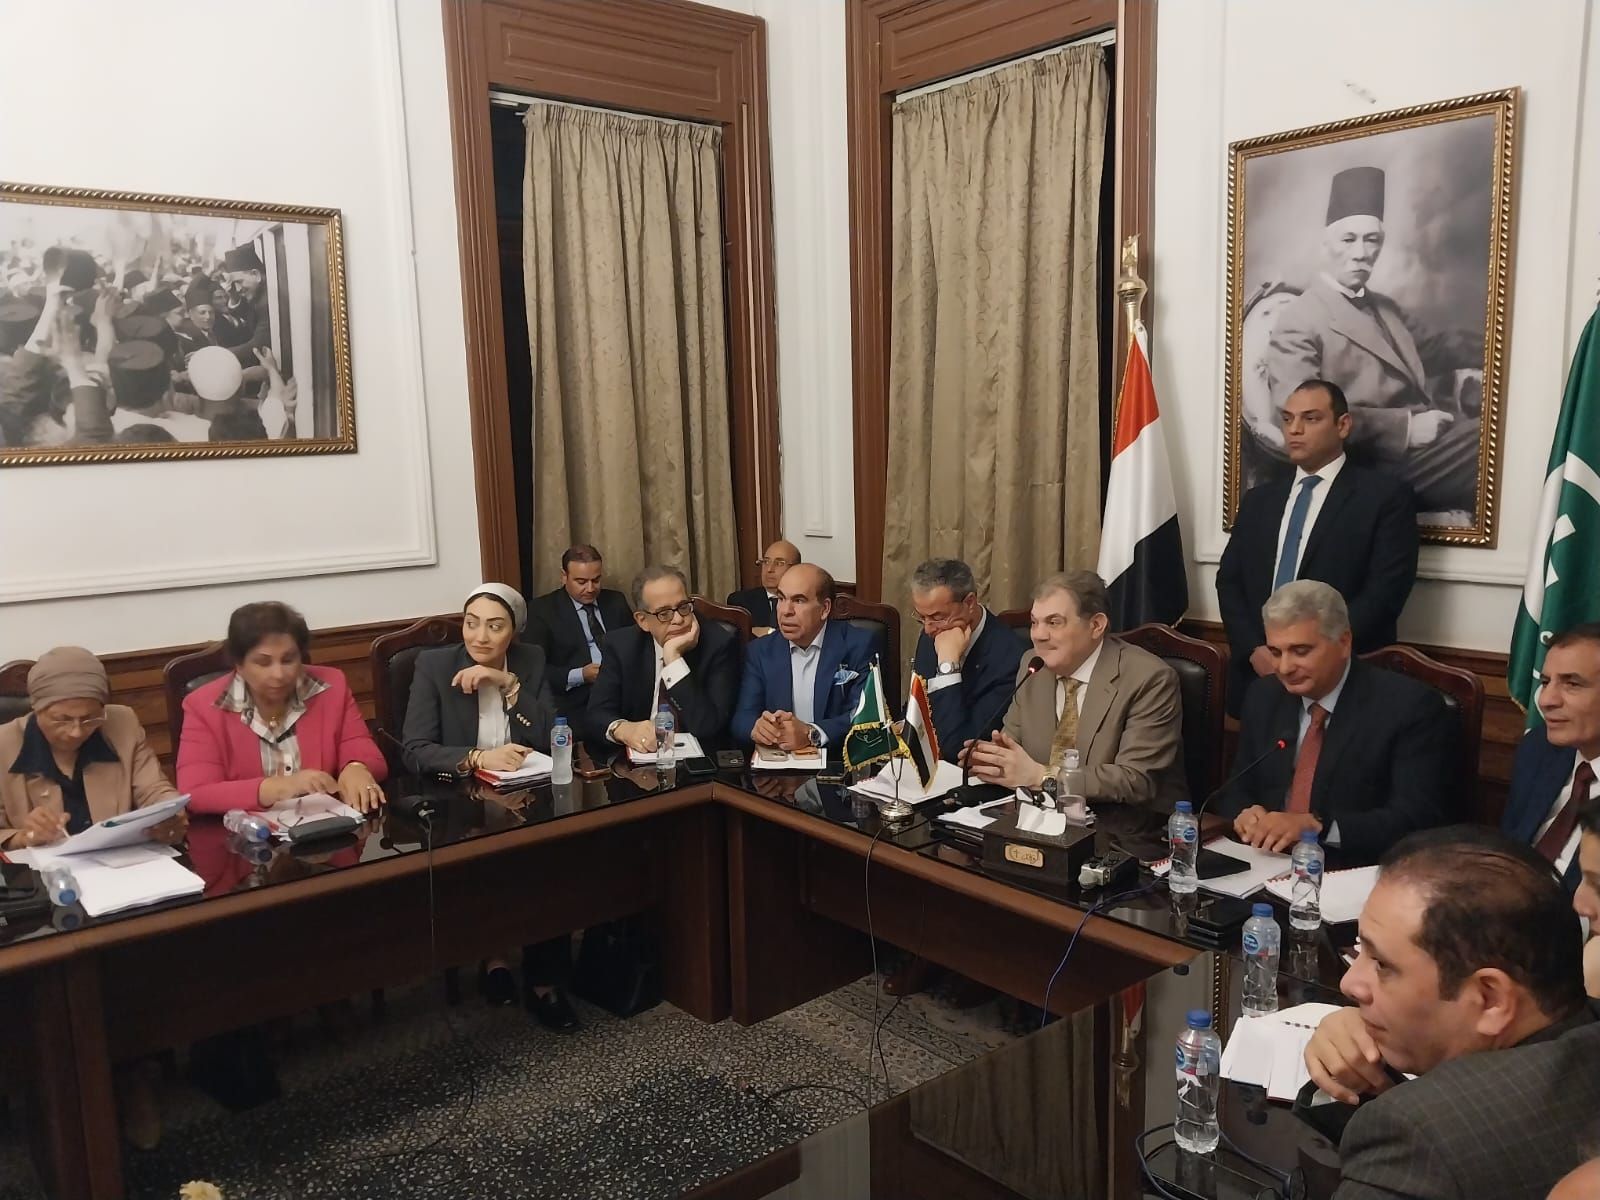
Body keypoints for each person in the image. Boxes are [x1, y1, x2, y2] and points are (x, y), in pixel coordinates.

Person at [1300, 827, 1600, 1200]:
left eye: (1382, 964)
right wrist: (1370, 1071)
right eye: (1362, 949)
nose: (1349, 984)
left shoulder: (1421, 1139)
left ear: (1490, 999)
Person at [401, 584, 577, 1031]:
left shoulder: (530, 660)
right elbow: (415, 750)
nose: (480, 636)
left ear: (513, 632)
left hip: (524, 793)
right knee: (485, 860)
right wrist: (477, 758)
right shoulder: (435, 665)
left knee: (553, 859)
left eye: (494, 626)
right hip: (458, 798)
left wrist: (509, 685)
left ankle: (544, 983)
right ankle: (494, 960)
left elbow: (551, 734)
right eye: (471, 623)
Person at [1263, 166, 1481, 515]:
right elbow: (1300, 418)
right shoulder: (1300, 320)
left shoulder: (1385, 308)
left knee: (1495, 429)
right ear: (1325, 245)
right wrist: (1405, 429)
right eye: (1348, 240)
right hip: (1370, 463)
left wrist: (1506, 348)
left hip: (1429, 444)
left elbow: (1439, 347)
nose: (1362, 253)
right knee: (1490, 444)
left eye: (1372, 240)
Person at [1216, 378, 1418, 715]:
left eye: (1310, 419)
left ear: (1343, 425)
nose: (1294, 429)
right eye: (1287, 419)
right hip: (1259, 679)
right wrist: (1255, 649)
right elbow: (1230, 582)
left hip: (1342, 681)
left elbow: (1385, 593)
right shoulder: (1259, 500)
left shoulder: (1384, 498)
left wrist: (1310, 654)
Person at [1220, 581, 1455, 864]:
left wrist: (1319, 827)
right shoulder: (1264, 695)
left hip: (1356, 868)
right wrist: (1246, 814)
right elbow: (1236, 790)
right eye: (1276, 652)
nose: (1284, 667)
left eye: (1300, 651)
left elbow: (1417, 818)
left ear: (1344, 642)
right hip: (1266, 861)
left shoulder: (1408, 706)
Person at [965, 570, 1185, 809]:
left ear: (1096, 625)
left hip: (1127, 821)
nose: (1038, 635)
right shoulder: (1034, 666)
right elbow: (1013, 746)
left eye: (1054, 622)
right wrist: (993, 760)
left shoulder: (1148, 678)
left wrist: (1043, 776)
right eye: (1034, 622)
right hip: (1042, 813)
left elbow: (1135, 780)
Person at [177, 601, 388, 815]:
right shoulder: (203, 706)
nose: (278, 674)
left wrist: (356, 767)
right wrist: (278, 787)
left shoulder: (331, 686)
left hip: (322, 826)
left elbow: (362, 749)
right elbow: (196, 793)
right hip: (245, 832)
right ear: (239, 664)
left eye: (288, 660)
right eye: (263, 663)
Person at [1, 646, 187, 850]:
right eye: (62, 719)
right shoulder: (4, 744)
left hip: (118, 861)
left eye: (90, 718)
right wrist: (24, 837)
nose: (76, 731)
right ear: (36, 708)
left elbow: (154, 789)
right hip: (38, 869)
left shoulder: (123, 724)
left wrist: (168, 815)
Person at [587, 565, 739, 753]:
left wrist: (673, 660)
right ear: (642, 620)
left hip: (699, 761)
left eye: (683, 607)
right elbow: (596, 714)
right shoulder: (621, 646)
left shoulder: (718, 643)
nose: (678, 619)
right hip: (638, 760)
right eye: (664, 613)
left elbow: (707, 726)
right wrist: (623, 729)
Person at [731, 563, 877, 752]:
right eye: (781, 598)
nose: (785, 611)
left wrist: (811, 733)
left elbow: (865, 716)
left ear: (824, 609)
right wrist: (757, 728)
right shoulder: (761, 651)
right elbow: (742, 718)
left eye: (798, 601)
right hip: (780, 763)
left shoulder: (859, 645)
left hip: (837, 761)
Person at [1503, 624, 1600, 893]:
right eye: (1545, 682)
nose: (1546, 700)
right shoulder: (1539, 749)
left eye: (1572, 684)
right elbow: (1507, 848)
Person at [908, 558, 1024, 760]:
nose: (927, 628)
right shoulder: (932, 636)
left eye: (937, 617)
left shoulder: (1010, 656)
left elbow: (957, 748)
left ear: (970, 603)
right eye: (921, 617)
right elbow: (918, 707)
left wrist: (948, 667)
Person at [527, 544, 632, 719]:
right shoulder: (542, 610)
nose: (590, 589)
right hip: (575, 700)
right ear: (564, 577)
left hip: (622, 691)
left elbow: (634, 646)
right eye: (581, 582)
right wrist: (581, 675)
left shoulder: (615, 601)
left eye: (596, 580)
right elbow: (533, 669)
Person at [727, 539, 800, 635]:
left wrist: (769, 632)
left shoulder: (804, 601)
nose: (769, 569)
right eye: (766, 562)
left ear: (795, 568)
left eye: (779, 563)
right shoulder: (740, 602)